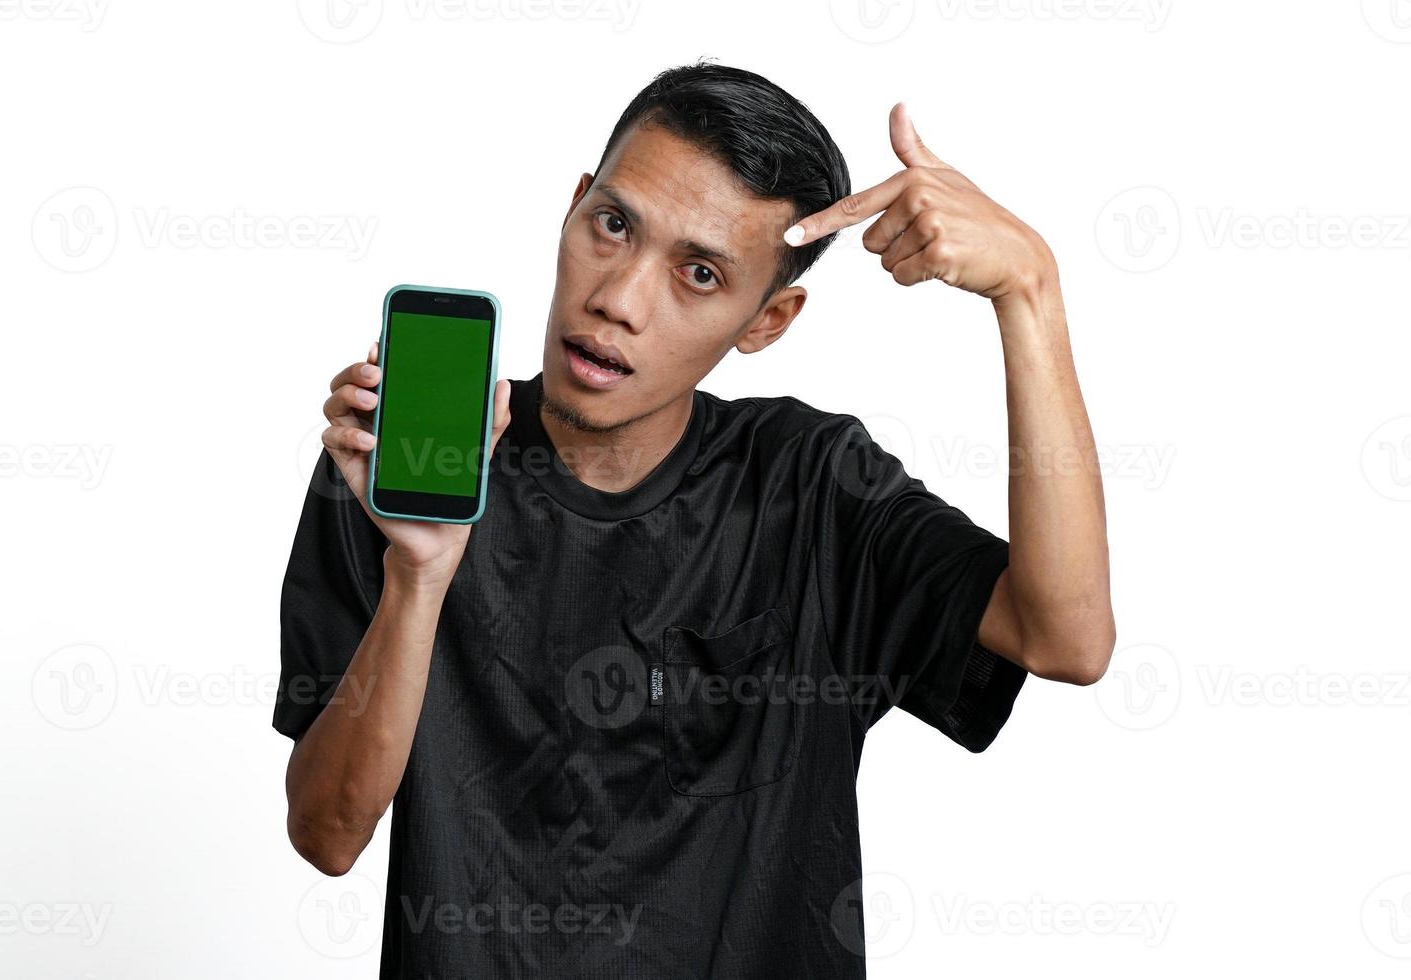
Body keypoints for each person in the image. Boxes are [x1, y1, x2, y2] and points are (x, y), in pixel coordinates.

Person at [273, 61, 1115, 979]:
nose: (618, 300)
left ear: (767, 321)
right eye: (613, 225)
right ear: (573, 205)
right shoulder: (410, 470)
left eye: (700, 273)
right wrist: (418, 576)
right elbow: (327, 833)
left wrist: (1027, 289)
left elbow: (1065, 638)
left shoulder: (812, 483)